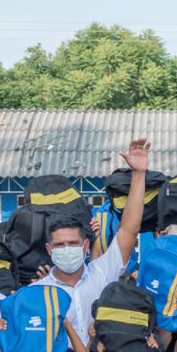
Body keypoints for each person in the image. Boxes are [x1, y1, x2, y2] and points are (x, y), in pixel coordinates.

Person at [34, 139, 151, 339]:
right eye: (59, 245)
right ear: (49, 249)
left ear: (86, 245)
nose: (66, 248)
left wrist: (139, 174)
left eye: (72, 243)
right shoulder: (36, 291)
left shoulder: (103, 273)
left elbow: (129, 230)